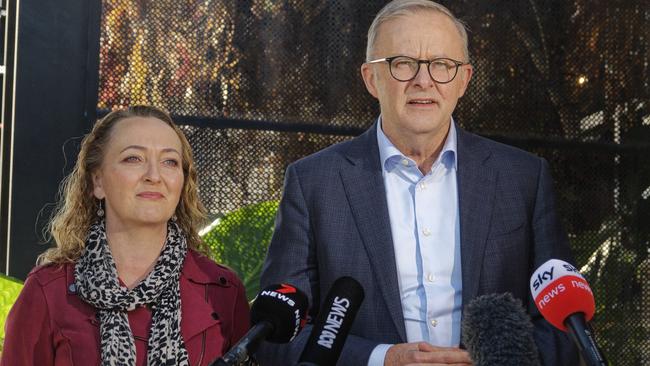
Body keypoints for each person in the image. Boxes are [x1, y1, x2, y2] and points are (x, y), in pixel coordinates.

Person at [257, 1, 579, 365]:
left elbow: (566, 328)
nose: (423, 80)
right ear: (370, 79)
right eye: (403, 63)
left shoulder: (522, 179)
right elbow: (277, 336)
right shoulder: (314, 183)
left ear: (464, 80)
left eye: (442, 64)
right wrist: (383, 359)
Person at [1, 106, 250, 365]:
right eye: (133, 158)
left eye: (169, 162)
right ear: (97, 182)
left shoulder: (223, 291)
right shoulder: (49, 291)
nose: (154, 176)